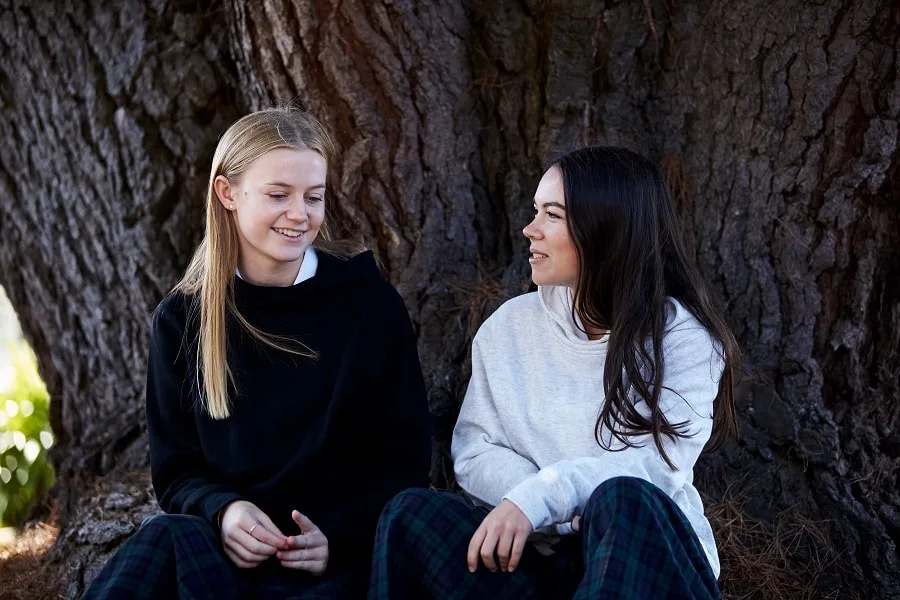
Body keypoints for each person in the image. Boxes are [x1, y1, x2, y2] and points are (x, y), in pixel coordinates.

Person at [83, 107, 431, 599]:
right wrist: (223, 510)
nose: (299, 214)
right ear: (227, 193)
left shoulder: (367, 305)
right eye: (277, 195)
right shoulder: (183, 321)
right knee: (163, 538)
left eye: (314, 197)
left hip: (337, 563)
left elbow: (406, 461)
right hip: (226, 557)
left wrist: (338, 537)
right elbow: (177, 469)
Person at [369, 146, 740, 599]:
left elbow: (654, 470)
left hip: (647, 562)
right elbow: (475, 449)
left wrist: (541, 498)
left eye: (553, 215)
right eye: (534, 211)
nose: (530, 230)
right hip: (542, 559)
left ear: (605, 230)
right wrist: (538, 508)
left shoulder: (683, 339)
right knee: (412, 515)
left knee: (621, 498)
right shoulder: (509, 327)